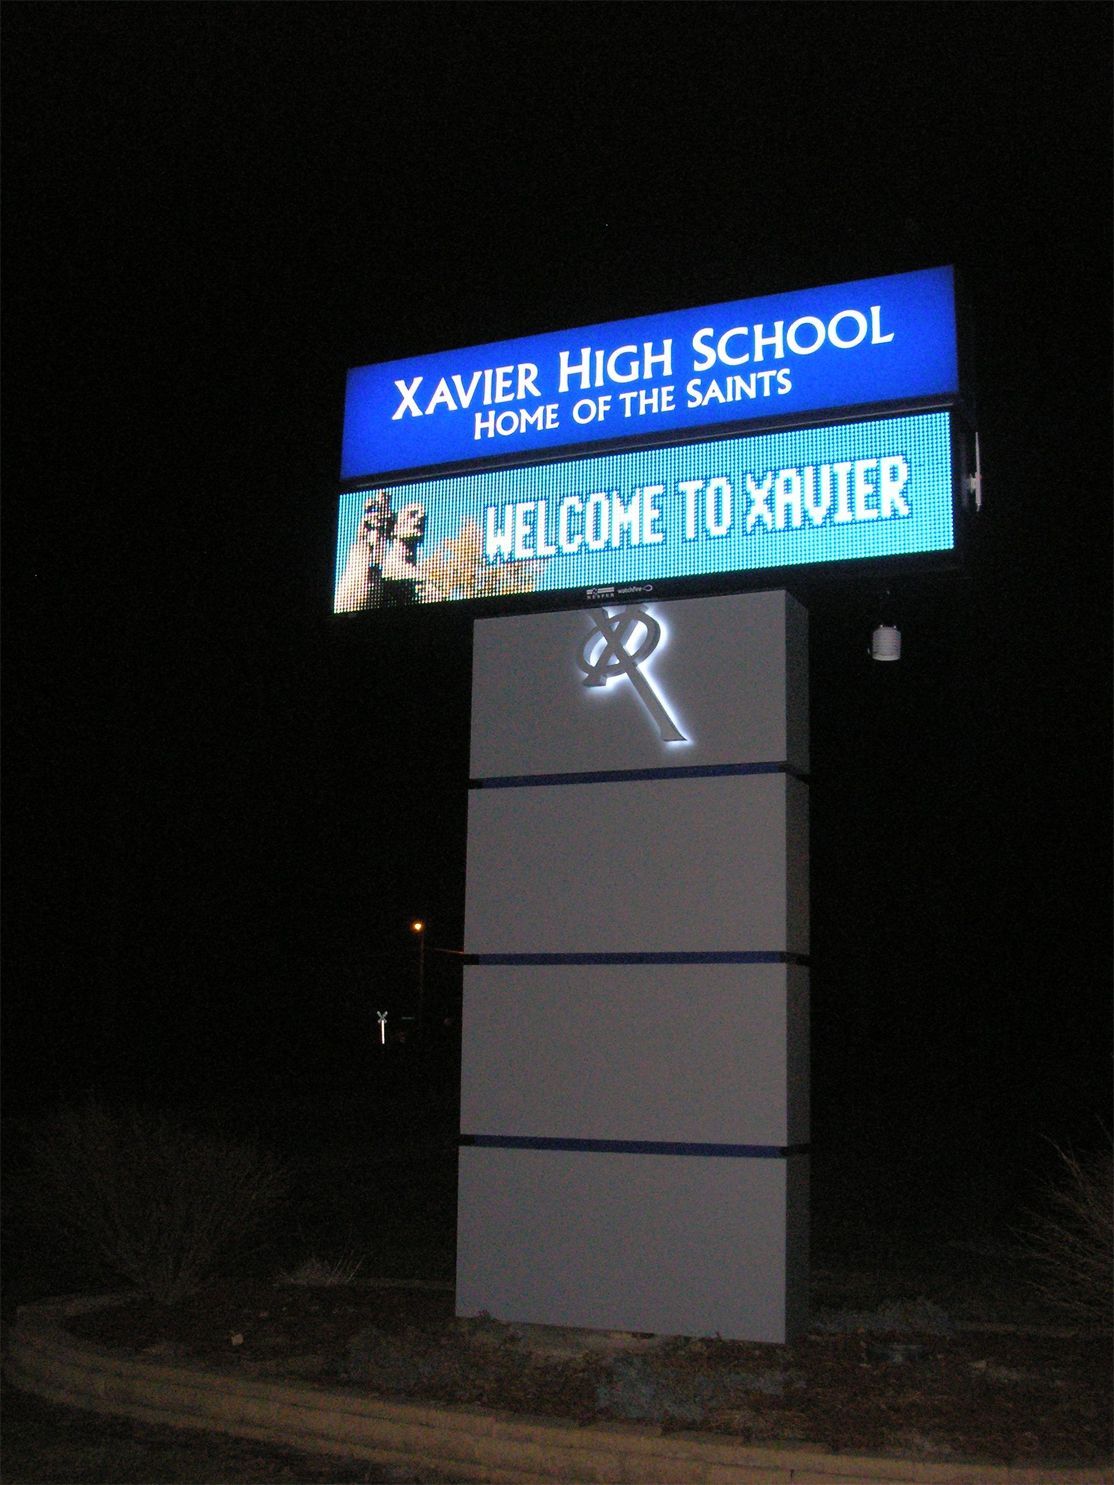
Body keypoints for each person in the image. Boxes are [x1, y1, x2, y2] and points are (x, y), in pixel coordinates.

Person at [334, 492, 428, 610]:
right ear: (395, 528)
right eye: (412, 514)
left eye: (423, 516)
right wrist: (364, 547)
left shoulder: (427, 578)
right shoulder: (381, 573)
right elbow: (346, 605)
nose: (420, 517)